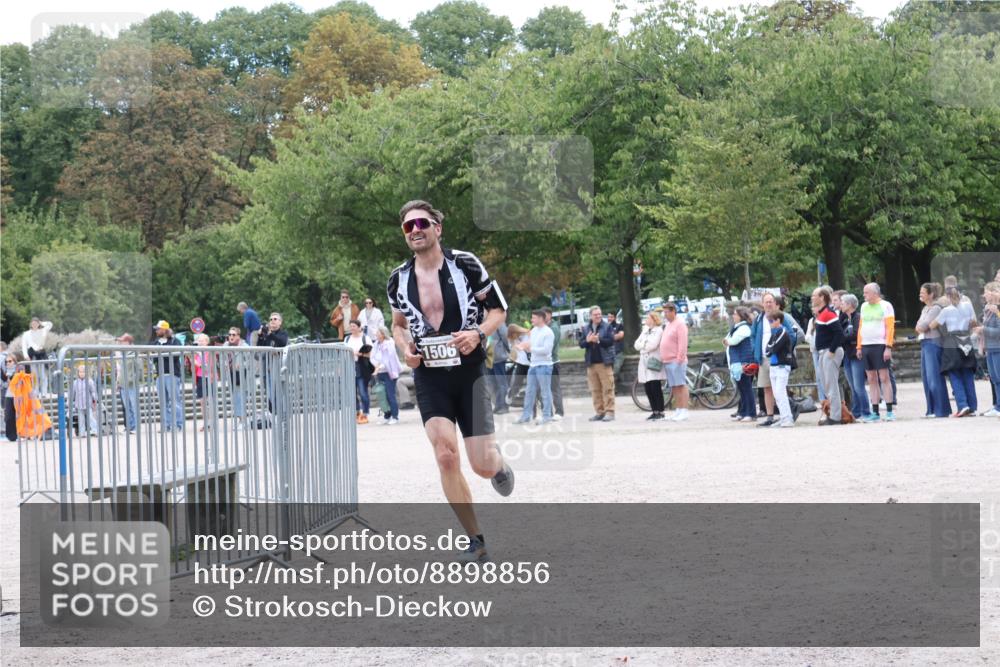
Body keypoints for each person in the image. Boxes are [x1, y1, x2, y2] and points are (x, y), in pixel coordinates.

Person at [387, 199, 513, 564]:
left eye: (422, 223)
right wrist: (404, 349)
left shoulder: (466, 264)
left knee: (482, 465)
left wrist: (477, 333)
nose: (415, 231)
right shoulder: (398, 278)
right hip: (429, 375)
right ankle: (476, 539)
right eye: (408, 227)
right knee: (445, 455)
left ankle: (499, 466)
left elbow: (498, 310)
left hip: (469, 371)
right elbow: (397, 324)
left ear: (437, 228)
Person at [750, 293, 799, 427]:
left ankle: (786, 415)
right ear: (762, 303)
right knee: (767, 388)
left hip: (780, 359)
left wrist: (786, 348)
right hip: (764, 358)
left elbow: (791, 334)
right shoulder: (759, 319)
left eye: (771, 301)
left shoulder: (781, 317)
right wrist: (756, 350)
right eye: (766, 302)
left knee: (780, 389)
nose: (768, 304)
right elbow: (753, 336)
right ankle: (770, 416)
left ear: (774, 302)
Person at [932, 286, 979, 417]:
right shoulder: (968, 305)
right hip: (966, 341)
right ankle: (972, 407)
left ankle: (962, 405)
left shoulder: (946, 310)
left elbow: (933, 325)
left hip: (951, 342)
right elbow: (974, 322)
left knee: (954, 374)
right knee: (968, 374)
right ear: (960, 294)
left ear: (947, 297)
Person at [856, 283, 897, 422]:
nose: (864, 295)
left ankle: (890, 411)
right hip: (866, 345)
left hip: (880, 345)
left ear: (875, 293)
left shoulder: (886, 305)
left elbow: (890, 327)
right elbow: (861, 327)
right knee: (871, 378)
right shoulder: (863, 306)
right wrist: (859, 346)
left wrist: (888, 346)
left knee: (884, 377)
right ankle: (875, 412)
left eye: (866, 292)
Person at [915, 283, 952, 418]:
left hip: (933, 343)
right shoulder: (925, 308)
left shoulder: (936, 308)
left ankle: (941, 410)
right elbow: (918, 326)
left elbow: (923, 326)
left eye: (923, 292)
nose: (920, 294)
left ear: (931, 294)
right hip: (925, 343)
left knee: (934, 377)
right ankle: (931, 409)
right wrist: (921, 326)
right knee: (926, 377)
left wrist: (921, 326)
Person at [514, 310, 555, 425]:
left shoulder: (548, 332)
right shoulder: (534, 331)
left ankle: (547, 416)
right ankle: (526, 416)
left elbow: (546, 351)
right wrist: (522, 346)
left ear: (541, 319)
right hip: (533, 365)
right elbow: (530, 344)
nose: (532, 320)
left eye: (534, 318)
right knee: (529, 391)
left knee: (545, 392)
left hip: (544, 365)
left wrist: (530, 349)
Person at [812, 286, 845, 425]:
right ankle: (832, 413)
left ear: (822, 298)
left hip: (829, 352)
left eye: (815, 296)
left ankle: (836, 417)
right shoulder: (821, 314)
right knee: (827, 385)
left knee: (831, 385)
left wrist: (831, 351)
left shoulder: (829, 314)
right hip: (823, 352)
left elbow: (839, 333)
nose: (812, 298)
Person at [578, 306, 616, 422]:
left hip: (604, 363)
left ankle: (609, 412)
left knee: (608, 389)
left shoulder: (607, 326)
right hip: (591, 363)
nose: (598, 316)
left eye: (599, 314)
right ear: (590, 316)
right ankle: (599, 412)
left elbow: (610, 341)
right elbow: (581, 344)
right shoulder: (586, 328)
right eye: (595, 314)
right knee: (595, 390)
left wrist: (598, 340)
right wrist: (588, 341)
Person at [839, 294, 871, 420]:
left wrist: (843, 338)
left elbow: (857, 334)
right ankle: (856, 411)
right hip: (847, 355)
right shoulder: (844, 319)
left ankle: (866, 411)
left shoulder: (857, 317)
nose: (840, 305)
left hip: (856, 354)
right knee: (852, 386)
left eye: (843, 302)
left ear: (850, 305)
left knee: (859, 386)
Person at [149, 320, 185, 431]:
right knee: (163, 402)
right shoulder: (156, 342)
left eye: (158, 329)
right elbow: (153, 357)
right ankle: (166, 425)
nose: (156, 331)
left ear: (164, 330)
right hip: (160, 375)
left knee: (175, 401)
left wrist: (159, 353)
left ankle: (178, 424)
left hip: (172, 374)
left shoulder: (175, 341)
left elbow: (174, 356)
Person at [764, 312, 797, 428]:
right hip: (774, 366)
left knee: (780, 392)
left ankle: (788, 418)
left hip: (782, 365)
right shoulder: (774, 333)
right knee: (776, 394)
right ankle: (784, 417)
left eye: (772, 321)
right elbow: (767, 350)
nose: (770, 323)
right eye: (769, 321)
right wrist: (770, 349)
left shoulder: (783, 331)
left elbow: (774, 348)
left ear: (779, 320)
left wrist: (770, 348)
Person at [724, 307, 755, 422]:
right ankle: (742, 412)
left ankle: (750, 413)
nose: (733, 316)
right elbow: (726, 340)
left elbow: (732, 341)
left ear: (741, 316)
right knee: (742, 389)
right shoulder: (737, 328)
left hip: (744, 362)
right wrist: (727, 341)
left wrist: (728, 341)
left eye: (735, 314)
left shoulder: (744, 328)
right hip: (737, 362)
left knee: (746, 388)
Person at [660, 302, 690, 421]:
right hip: (668, 360)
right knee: (674, 387)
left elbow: (683, 343)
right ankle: (678, 409)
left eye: (667, 312)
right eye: (664, 312)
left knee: (681, 385)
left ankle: (684, 410)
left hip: (676, 360)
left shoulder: (680, 324)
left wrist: (679, 359)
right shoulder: (669, 324)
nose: (665, 314)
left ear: (673, 311)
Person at [635, 310, 666, 421]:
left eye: (648, 318)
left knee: (655, 387)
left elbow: (652, 345)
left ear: (653, 319)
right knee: (648, 388)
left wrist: (643, 345)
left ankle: (661, 411)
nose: (646, 320)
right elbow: (636, 344)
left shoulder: (658, 331)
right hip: (644, 361)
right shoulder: (645, 330)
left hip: (653, 361)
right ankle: (654, 411)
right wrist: (644, 344)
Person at [974, 281, 1000, 417]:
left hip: (997, 347)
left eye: (986, 292)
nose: (984, 295)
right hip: (990, 347)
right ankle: (997, 406)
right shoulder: (988, 309)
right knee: (994, 378)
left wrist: (983, 329)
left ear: (992, 292)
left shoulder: (997, 309)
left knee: (999, 377)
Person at [258, 312, 289, 418]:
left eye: (275, 319)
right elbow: (259, 350)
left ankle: (281, 414)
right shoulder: (267, 334)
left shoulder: (283, 333)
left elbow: (283, 342)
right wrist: (260, 336)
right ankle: (275, 414)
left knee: (278, 392)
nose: (272, 321)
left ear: (280, 322)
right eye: (271, 319)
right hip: (267, 368)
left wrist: (270, 334)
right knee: (270, 393)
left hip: (279, 368)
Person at [371, 325, 401, 424]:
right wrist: (377, 365)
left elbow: (389, 359)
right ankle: (386, 415)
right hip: (379, 372)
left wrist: (380, 366)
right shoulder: (376, 344)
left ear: (383, 334)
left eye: (378, 333)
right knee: (382, 395)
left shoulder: (389, 343)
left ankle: (395, 416)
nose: (376, 334)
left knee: (390, 394)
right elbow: (372, 356)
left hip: (389, 372)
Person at [346, 320, 374, 425]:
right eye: (351, 326)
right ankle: (357, 412)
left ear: (359, 327)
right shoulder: (347, 338)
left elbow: (370, 353)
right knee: (352, 392)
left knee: (363, 392)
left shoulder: (365, 338)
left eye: (353, 326)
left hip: (362, 367)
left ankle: (365, 413)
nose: (352, 328)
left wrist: (358, 353)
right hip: (350, 366)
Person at [222, 326, 250, 426]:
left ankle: (243, 419)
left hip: (241, 373)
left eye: (233, 335)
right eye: (229, 334)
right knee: (234, 397)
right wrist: (224, 364)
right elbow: (221, 358)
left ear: (238, 336)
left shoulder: (244, 346)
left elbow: (251, 361)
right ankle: (240, 419)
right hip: (230, 374)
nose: (231, 336)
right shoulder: (226, 345)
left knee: (240, 396)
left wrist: (241, 365)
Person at [115, 334, 141, 433]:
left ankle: (136, 427)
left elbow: (139, 369)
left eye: (123, 341)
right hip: (122, 384)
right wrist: (118, 382)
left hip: (131, 384)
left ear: (128, 342)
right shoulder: (121, 353)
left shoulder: (134, 352)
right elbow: (120, 370)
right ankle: (130, 427)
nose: (121, 343)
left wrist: (133, 379)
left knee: (134, 406)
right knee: (127, 407)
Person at [22, 317, 53, 395]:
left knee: (43, 374)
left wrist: (42, 323)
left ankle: (44, 392)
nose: (34, 324)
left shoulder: (43, 331)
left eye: (36, 323)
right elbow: (24, 345)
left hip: (41, 354)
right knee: (34, 374)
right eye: (33, 323)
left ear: (38, 324)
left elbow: (50, 324)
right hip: (32, 355)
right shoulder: (26, 333)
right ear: (30, 324)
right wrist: (26, 356)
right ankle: (35, 391)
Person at [193, 333, 217, 431]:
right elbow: (192, 366)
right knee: (202, 402)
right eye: (199, 340)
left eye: (203, 340)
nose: (200, 342)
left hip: (209, 378)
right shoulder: (195, 353)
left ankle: (212, 422)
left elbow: (209, 367)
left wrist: (199, 364)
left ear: (207, 342)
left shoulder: (210, 352)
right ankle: (206, 423)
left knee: (210, 401)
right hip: (199, 378)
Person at [544, 308, 564, 419]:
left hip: (553, 362)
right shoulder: (542, 328)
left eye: (545, 315)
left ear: (550, 315)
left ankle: (559, 412)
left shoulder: (554, 328)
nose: (543, 317)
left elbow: (551, 346)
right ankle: (548, 413)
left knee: (555, 388)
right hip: (544, 362)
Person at [487, 322, 510, 415]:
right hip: (488, 356)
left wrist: (508, 349)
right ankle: (497, 405)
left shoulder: (498, 321)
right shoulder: (483, 321)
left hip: (497, 355)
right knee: (493, 383)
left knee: (501, 383)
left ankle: (504, 405)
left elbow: (505, 336)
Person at [71, 363, 100, 437]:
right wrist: (71, 400)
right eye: (80, 372)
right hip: (79, 404)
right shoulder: (75, 383)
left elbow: (93, 391)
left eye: (83, 372)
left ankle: (95, 430)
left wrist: (95, 398)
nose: (81, 373)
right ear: (78, 373)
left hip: (88, 403)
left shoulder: (89, 381)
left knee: (90, 418)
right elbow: (73, 393)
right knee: (81, 420)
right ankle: (82, 433)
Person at [2, 355, 20, 442]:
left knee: (20, 415)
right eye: (6, 362)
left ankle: (22, 433)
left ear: (14, 362)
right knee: (8, 416)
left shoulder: (18, 370)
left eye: (10, 361)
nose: (8, 363)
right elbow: (4, 382)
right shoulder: (6, 372)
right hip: (9, 395)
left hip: (18, 395)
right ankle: (11, 436)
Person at [607, 311, 626, 382]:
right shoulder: (605, 327)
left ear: (615, 317)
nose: (609, 318)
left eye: (611, 317)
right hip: (608, 353)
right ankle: (612, 389)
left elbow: (620, 336)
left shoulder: (619, 326)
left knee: (616, 370)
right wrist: (613, 337)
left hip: (618, 352)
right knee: (608, 372)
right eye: (608, 317)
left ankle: (612, 387)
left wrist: (608, 337)